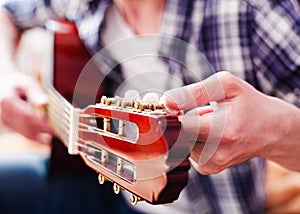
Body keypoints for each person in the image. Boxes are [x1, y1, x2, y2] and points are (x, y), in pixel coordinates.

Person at [0, 0, 299, 213]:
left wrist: (277, 131)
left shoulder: (254, 12)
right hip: (106, 191)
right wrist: (6, 77)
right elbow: (6, 13)